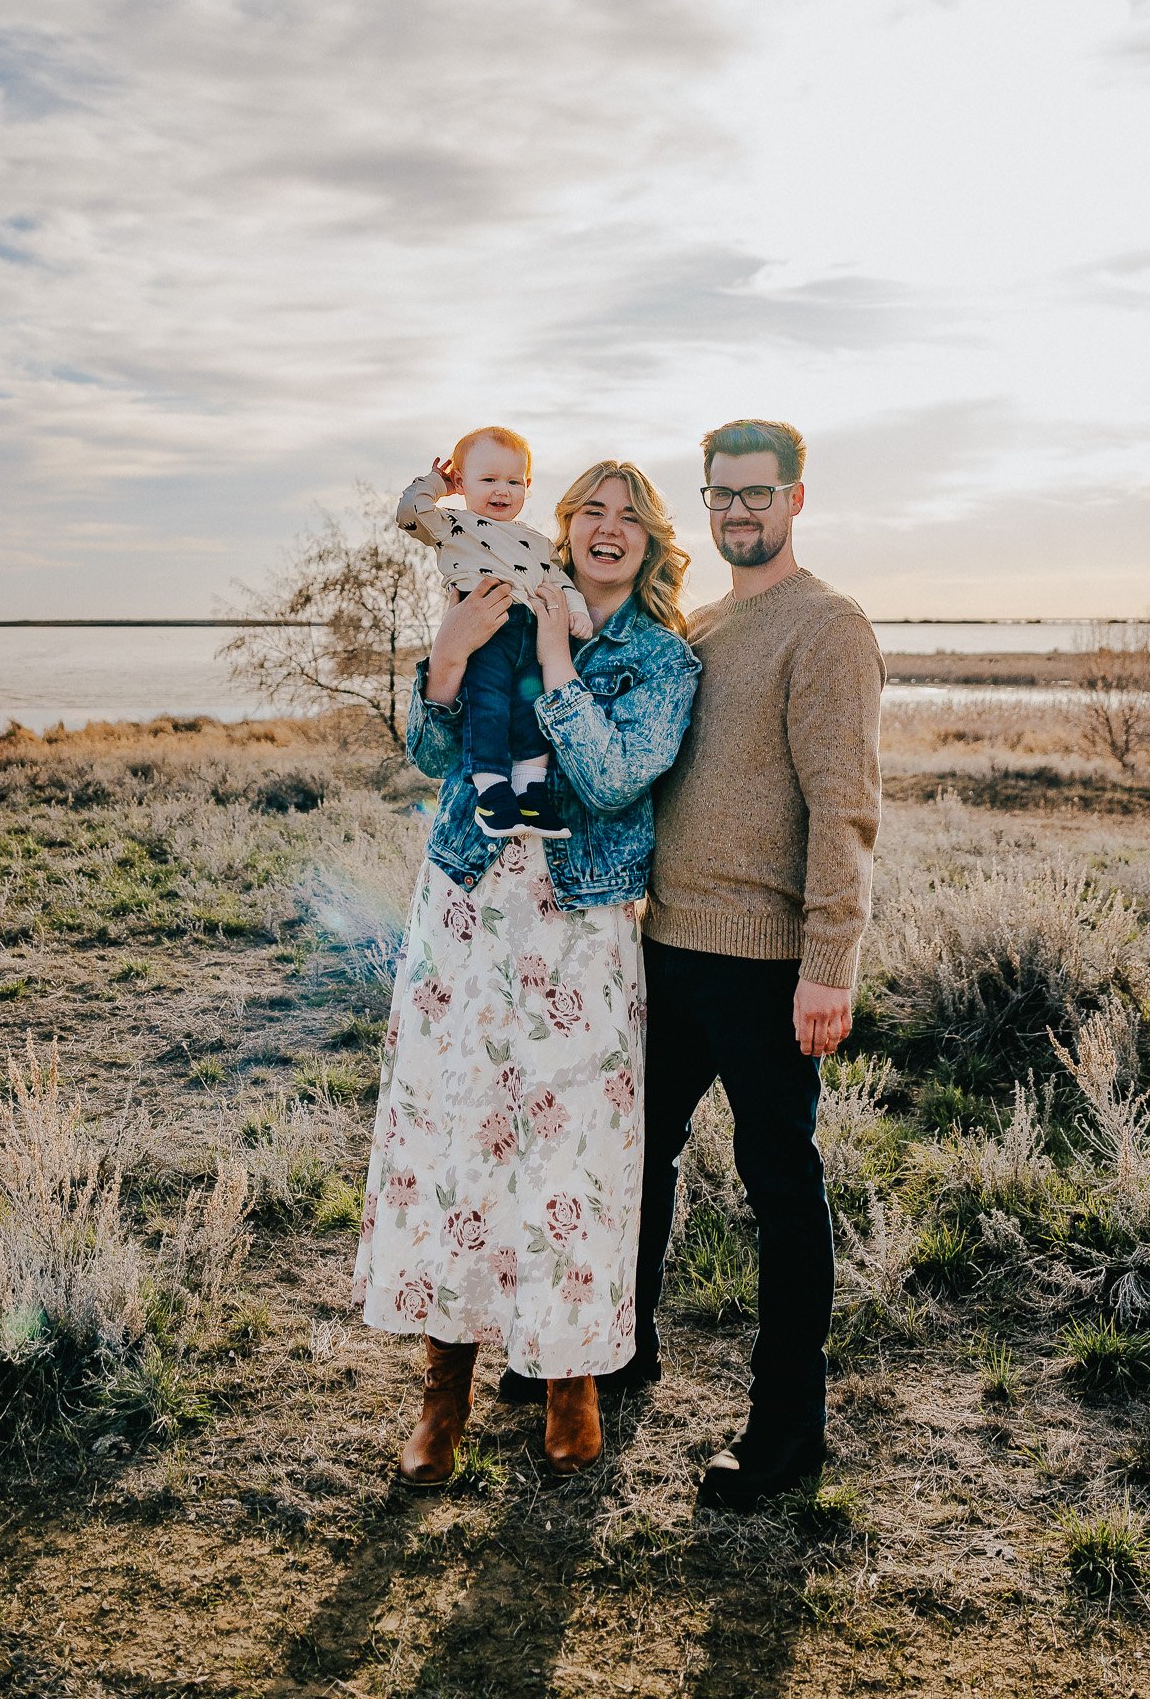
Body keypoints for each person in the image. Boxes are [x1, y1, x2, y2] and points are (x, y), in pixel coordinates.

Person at [353, 461, 699, 1484]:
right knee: (456, 1134)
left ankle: (570, 1380)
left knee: (575, 1153)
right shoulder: (495, 592)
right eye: (589, 509)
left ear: (650, 541)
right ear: (563, 524)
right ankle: (441, 1393)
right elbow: (430, 748)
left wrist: (555, 659)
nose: (607, 527)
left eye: (628, 517)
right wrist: (449, 655)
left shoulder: (660, 659)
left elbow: (609, 777)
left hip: (578, 929)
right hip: (466, 907)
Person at [638, 417, 884, 1511]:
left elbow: (845, 803)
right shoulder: (696, 627)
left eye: (757, 493)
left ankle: (788, 1431)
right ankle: (615, 1349)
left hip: (767, 961)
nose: (737, 510)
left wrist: (829, 959)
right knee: (630, 1156)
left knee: (778, 1186)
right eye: (721, 493)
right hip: (665, 942)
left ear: (795, 497)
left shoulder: (827, 627)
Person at [397, 427, 592, 842]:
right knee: (487, 706)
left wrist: (575, 610)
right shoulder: (454, 525)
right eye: (487, 480)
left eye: (513, 481)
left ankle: (531, 794)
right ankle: (492, 793)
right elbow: (409, 512)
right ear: (463, 484)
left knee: (530, 710)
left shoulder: (536, 542)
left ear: (527, 487)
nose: (501, 490)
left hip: (531, 632)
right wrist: (438, 484)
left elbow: (558, 581)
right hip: (484, 624)